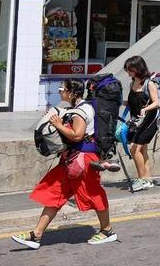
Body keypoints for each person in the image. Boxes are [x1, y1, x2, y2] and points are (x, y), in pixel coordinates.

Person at [12, 79, 117, 248]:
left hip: (82, 160)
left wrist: (59, 125)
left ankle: (107, 230)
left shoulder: (81, 112)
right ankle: (36, 235)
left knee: (93, 193)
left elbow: (77, 135)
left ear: (71, 93)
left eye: (62, 89)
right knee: (55, 193)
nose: (60, 91)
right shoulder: (77, 109)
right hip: (71, 160)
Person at [124, 55, 160, 192]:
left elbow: (157, 103)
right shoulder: (132, 83)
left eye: (130, 70)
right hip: (136, 121)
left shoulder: (149, 83)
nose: (128, 73)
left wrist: (145, 109)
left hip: (149, 121)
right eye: (127, 70)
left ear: (138, 69)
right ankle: (147, 179)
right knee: (142, 150)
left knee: (135, 149)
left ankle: (141, 179)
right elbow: (134, 101)